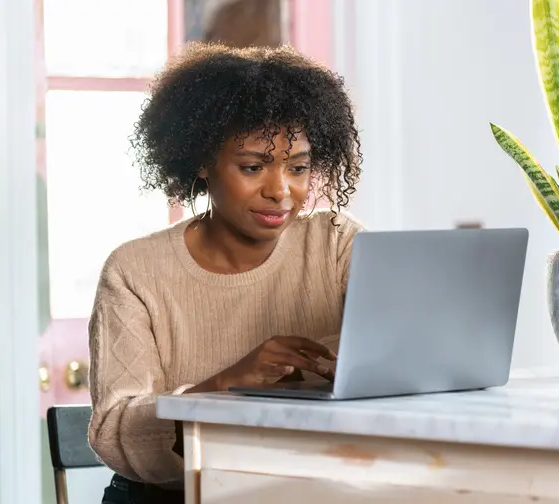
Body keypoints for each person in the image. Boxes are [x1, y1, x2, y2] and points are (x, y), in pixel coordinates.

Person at [89, 42, 365, 504]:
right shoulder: (134, 271)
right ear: (201, 160)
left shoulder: (336, 244)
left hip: (297, 490)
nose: (281, 191)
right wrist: (224, 386)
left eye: (298, 168)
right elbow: (115, 431)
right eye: (253, 166)